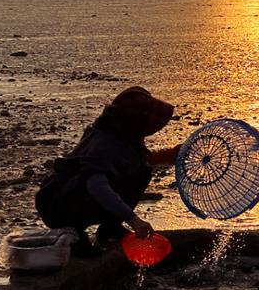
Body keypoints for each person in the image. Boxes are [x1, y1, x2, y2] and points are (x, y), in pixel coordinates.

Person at [35, 86, 180, 250]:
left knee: (141, 171)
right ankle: (73, 234)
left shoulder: (124, 135)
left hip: (74, 194)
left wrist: (172, 155)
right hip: (58, 204)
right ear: (135, 122)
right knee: (94, 180)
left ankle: (110, 228)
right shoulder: (105, 143)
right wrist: (134, 220)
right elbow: (96, 185)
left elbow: (138, 161)